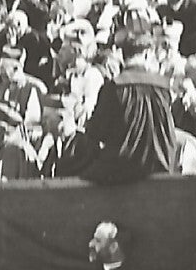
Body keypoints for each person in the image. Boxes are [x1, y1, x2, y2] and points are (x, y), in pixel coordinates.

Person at [68, 25, 179, 183]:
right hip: (159, 165)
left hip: (123, 168)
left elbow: (97, 132)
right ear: (148, 54)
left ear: (122, 55)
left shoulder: (114, 87)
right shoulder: (163, 87)